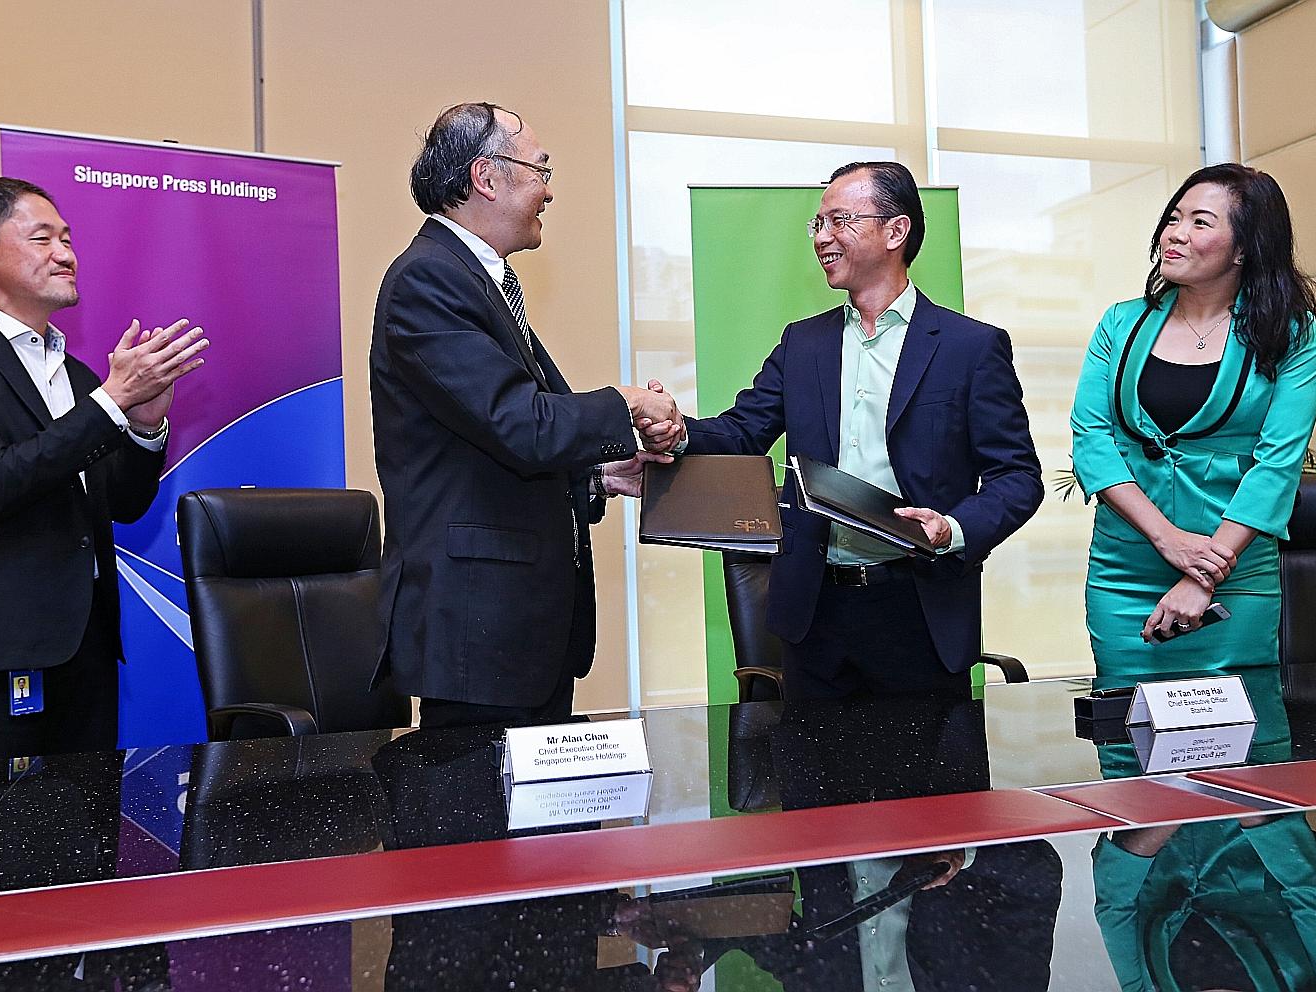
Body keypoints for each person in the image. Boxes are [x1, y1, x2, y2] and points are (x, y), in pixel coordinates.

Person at [655, 161, 1042, 700]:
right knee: (813, 782)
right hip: (814, 615)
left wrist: (950, 528)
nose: (822, 237)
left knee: (929, 785)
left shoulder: (970, 348)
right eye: (817, 224)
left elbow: (1018, 477)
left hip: (919, 611)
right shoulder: (803, 344)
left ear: (895, 231)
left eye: (839, 220)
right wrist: (673, 432)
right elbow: (741, 432)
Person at [369, 102, 681, 728]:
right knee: (477, 820)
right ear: (488, 177)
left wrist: (598, 476)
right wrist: (628, 405)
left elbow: (495, 444)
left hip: (517, 630)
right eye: (542, 170)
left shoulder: (480, 280)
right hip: (476, 630)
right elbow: (521, 423)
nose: (548, 193)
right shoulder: (428, 281)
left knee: (536, 825)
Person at [0, 177, 209, 764]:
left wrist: (143, 426)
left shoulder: (81, 376)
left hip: (85, 659)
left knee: (88, 847)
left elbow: (123, 505)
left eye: (67, 238)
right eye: (43, 239)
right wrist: (111, 404)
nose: (66, 253)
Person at [1069, 163, 1316, 674]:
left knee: (1241, 740)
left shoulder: (1291, 336)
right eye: (1174, 218)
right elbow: (1091, 439)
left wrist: (1204, 574)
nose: (1176, 234)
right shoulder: (1120, 323)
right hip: (1125, 567)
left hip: (1231, 571)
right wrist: (1167, 538)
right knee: (1128, 738)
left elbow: (1277, 464)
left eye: (1200, 223)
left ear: (1245, 247)